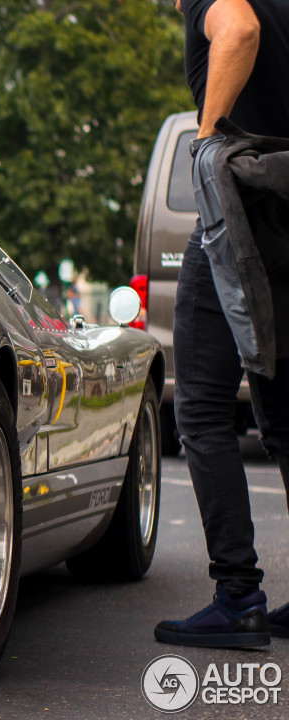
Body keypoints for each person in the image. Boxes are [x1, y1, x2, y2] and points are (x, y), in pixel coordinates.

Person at [155, 0, 289, 649]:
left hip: (239, 217)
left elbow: (239, 28)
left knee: (202, 406)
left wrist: (208, 141)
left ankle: (238, 595)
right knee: (283, 415)